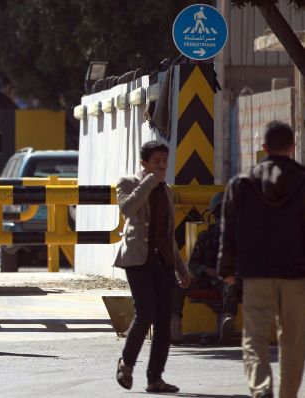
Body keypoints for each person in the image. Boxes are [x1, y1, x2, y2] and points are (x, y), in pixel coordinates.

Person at [219, 120, 305, 398]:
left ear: (264, 147)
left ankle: (261, 389)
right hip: (297, 273)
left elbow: (228, 229)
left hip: (255, 273)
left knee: (254, 338)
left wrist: (227, 268)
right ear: (293, 147)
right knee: (293, 341)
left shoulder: (241, 184)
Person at [114, 140, 191, 393]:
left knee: (163, 322)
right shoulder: (128, 183)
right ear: (144, 163)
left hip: (164, 262)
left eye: (165, 162)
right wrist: (149, 182)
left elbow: (168, 235)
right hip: (138, 260)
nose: (161, 166)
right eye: (156, 161)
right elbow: (128, 209)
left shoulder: (166, 190)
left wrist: (181, 269)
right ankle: (126, 364)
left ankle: (154, 378)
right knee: (145, 313)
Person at [171, 192, 242, 343]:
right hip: (219, 280)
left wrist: (208, 271)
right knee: (180, 284)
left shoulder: (206, 235)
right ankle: (174, 323)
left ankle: (174, 322)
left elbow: (192, 264)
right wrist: (209, 270)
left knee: (180, 285)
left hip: (217, 280)